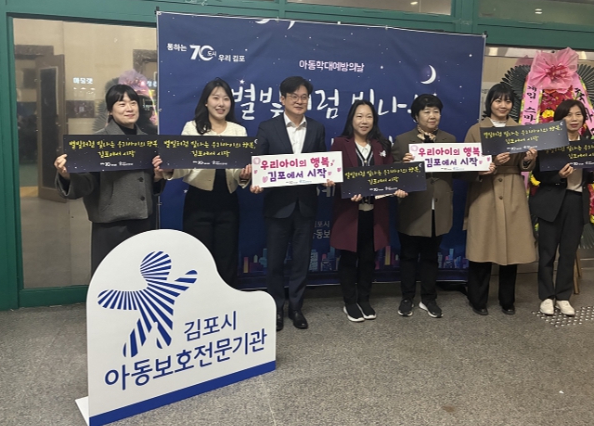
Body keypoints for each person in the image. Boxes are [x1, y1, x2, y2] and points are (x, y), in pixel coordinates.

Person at [54, 84, 164, 275]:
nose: (129, 108)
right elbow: (87, 183)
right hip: (111, 223)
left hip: (143, 220)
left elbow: (150, 183)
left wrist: (158, 177)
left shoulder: (147, 140)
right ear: (110, 111)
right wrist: (67, 176)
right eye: (122, 104)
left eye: (133, 103)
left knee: (142, 276)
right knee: (110, 277)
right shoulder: (98, 142)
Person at [251, 76, 332, 331]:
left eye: (304, 97)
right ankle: (276, 307)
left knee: (301, 260)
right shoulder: (267, 127)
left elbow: (321, 163)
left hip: (306, 205)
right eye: (294, 96)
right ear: (282, 99)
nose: (299, 101)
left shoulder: (317, 128)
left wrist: (326, 178)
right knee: (274, 261)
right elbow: (259, 161)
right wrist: (256, 180)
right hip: (277, 206)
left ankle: (296, 307)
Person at [158, 78, 251, 288]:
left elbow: (239, 171)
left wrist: (245, 176)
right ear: (206, 102)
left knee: (227, 256)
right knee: (198, 256)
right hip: (198, 202)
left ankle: (227, 299)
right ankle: (199, 301)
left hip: (228, 201)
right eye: (216, 98)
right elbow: (184, 165)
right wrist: (170, 168)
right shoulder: (192, 128)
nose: (221, 103)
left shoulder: (239, 131)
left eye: (226, 99)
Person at [463, 83, 537, 316]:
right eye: (498, 100)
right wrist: (489, 163)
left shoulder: (520, 129)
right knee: (482, 247)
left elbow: (525, 165)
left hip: (513, 189)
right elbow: (465, 165)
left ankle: (507, 300)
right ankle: (478, 300)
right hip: (485, 191)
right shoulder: (476, 130)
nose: (503, 105)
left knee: (511, 248)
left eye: (507, 101)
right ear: (490, 103)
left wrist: (529, 158)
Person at [330, 100, 407, 322]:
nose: (364, 121)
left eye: (369, 116)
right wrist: (345, 188)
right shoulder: (339, 143)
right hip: (349, 212)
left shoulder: (381, 145)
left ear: (374, 120)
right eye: (359, 116)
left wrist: (399, 184)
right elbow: (333, 175)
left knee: (368, 258)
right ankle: (350, 302)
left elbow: (390, 175)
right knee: (348, 258)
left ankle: (364, 299)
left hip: (375, 212)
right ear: (351, 119)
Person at [529, 100, 594, 317]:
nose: (574, 119)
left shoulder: (588, 145)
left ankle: (563, 297)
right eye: (568, 115)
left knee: (568, 253)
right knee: (547, 253)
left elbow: (589, 177)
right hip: (551, 202)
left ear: (583, 118)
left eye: (578, 114)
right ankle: (546, 297)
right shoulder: (550, 143)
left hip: (576, 201)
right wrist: (558, 176)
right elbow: (538, 175)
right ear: (560, 119)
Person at [392, 94, 455, 319]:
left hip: (439, 206)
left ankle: (428, 299)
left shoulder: (450, 140)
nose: (432, 116)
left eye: (436, 111)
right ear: (416, 116)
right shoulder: (403, 141)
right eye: (427, 111)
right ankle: (407, 297)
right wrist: (403, 165)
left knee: (431, 256)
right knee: (408, 255)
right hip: (413, 206)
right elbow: (391, 175)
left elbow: (461, 168)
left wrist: (483, 166)